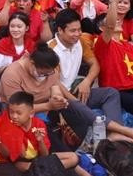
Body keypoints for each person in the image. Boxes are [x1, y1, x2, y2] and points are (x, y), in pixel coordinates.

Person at [49, 8, 133, 140]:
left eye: (79, 29)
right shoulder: (51, 50)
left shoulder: (80, 42)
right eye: (73, 31)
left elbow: (95, 64)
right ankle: (122, 131)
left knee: (110, 93)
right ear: (60, 30)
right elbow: (55, 83)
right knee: (77, 105)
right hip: (59, 97)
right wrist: (74, 100)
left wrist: (87, 82)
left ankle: (113, 135)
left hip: (77, 90)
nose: (77, 34)